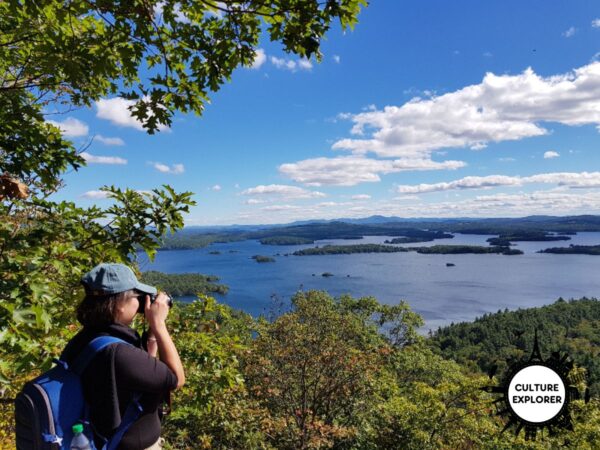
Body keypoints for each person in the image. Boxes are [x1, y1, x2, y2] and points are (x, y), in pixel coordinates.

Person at [61, 263, 185, 450]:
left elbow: (143, 369)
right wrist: (159, 324)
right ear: (119, 304)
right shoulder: (118, 353)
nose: (141, 303)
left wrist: (151, 333)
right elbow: (176, 379)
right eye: (137, 297)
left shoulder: (86, 340)